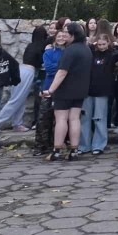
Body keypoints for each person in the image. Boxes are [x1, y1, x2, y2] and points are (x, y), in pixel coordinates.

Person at [43, 22, 91, 161]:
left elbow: (62, 72)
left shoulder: (70, 50)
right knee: (75, 118)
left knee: (61, 119)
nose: (63, 34)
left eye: (66, 32)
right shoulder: (86, 49)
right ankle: (74, 151)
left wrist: (51, 90)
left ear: (73, 34)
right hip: (81, 89)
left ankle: (56, 151)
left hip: (65, 90)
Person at [81, 31, 118, 155]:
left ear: (108, 43)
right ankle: (84, 145)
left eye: (104, 44)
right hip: (88, 90)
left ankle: (99, 145)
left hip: (103, 90)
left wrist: (116, 46)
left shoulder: (112, 55)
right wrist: (91, 45)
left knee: (99, 118)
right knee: (85, 118)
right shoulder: (92, 53)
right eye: (99, 44)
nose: (102, 47)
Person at [4, 25, 47, 133]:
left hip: (21, 69)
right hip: (28, 72)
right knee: (16, 100)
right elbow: (40, 63)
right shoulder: (42, 47)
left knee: (20, 99)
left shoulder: (30, 46)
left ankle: (17, 123)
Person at [34, 21, 67, 155]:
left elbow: (68, 69)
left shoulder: (68, 52)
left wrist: (60, 68)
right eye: (58, 36)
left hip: (63, 88)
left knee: (58, 119)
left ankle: (57, 144)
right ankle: (41, 145)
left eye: (63, 36)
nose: (61, 38)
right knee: (44, 118)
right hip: (48, 86)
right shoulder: (48, 52)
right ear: (54, 38)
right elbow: (49, 68)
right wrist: (62, 68)